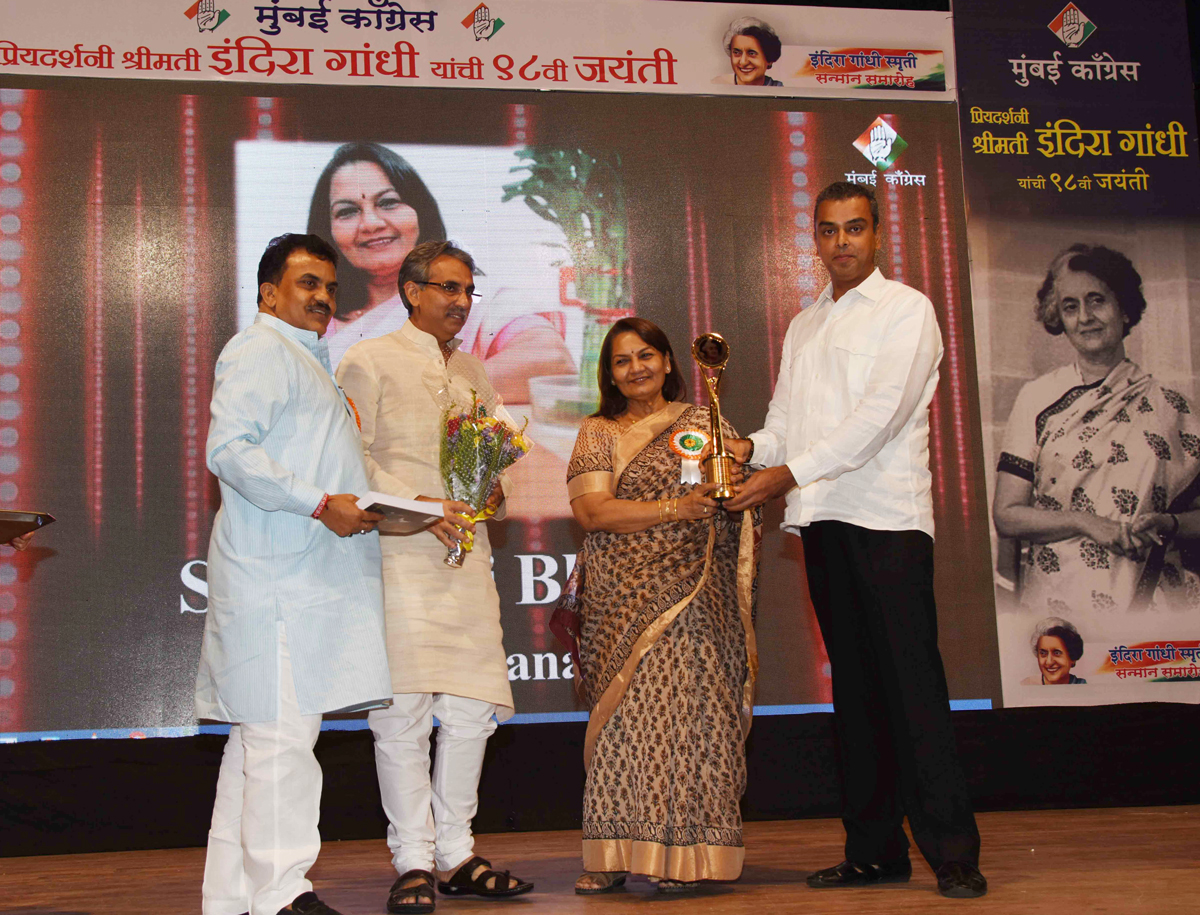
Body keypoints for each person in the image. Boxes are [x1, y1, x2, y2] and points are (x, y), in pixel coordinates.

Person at [723, 181, 987, 899]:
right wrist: (736, 450)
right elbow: (783, 420)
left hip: (889, 522)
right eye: (829, 230)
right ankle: (875, 851)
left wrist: (785, 472)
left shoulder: (907, 311)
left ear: (877, 236)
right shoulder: (805, 325)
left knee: (913, 692)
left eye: (855, 228)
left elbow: (879, 418)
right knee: (859, 698)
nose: (841, 241)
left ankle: (954, 851)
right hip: (823, 520)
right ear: (814, 238)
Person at [197, 233, 392, 915]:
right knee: (280, 739)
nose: (323, 298)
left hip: (302, 581)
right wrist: (318, 502)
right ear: (268, 292)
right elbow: (230, 452)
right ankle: (283, 894)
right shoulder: (261, 349)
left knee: (257, 744)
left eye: (331, 287)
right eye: (308, 283)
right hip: (275, 581)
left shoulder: (311, 362)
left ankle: (230, 900)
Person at [336, 240, 533, 914]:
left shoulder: (475, 371)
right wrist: (423, 510)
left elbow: (493, 463)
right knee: (403, 713)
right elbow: (352, 461)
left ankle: (457, 851)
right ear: (412, 291)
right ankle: (413, 858)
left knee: (474, 708)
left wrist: (490, 491)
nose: (459, 301)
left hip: (465, 555)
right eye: (447, 288)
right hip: (399, 554)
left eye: (467, 290)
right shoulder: (368, 359)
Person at [566, 317, 760, 894]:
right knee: (626, 722)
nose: (637, 368)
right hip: (623, 598)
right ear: (610, 374)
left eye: (647, 355)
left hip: (701, 595)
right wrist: (677, 509)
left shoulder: (705, 423)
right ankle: (611, 853)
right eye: (622, 361)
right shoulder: (597, 432)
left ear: (671, 362)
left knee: (694, 719)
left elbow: (739, 492)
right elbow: (593, 513)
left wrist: (731, 494)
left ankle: (686, 858)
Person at [992, 244, 1200, 623]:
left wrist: (1168, 524)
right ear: (1060, 317)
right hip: (1061, 606)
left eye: (1096, 301)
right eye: (1071, 306)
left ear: (1123, 309)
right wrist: (1086, 522)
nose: (1085, 317)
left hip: (1154, 602)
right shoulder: (1036, 399)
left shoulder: (1171, 407)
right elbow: (1007, 516)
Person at [307, 141, 573, 399]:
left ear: (421, 212)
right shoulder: (311, 319)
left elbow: (551, 360)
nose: (371, 223)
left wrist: (423, 393)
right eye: (347, 211)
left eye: (388, 203)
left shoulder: (473, 300)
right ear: (327, 230)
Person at [723, 18, 783, 87]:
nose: (743, 62)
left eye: (752, 53)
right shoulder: (718, 86)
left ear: (769, 59)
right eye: (737, 53)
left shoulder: (781, 89)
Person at [1030, 618, 1087, 685]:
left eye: (1057, 653)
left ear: (1072, 657)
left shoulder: (1084, 686)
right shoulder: (1028, 686)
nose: (1049, 662)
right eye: (1043, 653)